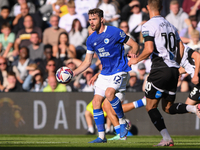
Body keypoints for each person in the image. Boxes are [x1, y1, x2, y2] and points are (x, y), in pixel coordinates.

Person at [128, 0, 200, 146]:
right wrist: (176, 64)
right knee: (167, 108)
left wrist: (137, 60)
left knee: (150, 106)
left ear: (147, 8)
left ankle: (166, 138)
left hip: (160, 69)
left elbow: (148, 49)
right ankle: (194, 108)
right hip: (173, 70)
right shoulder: (171, 25)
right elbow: (180, 46)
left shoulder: (148, 25)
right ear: (161, 8)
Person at [72, 8, 139, 143]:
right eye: (90, 19)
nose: (91, 22)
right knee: (96, 103)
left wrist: (133, 53)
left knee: (109, 94)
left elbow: (134, 44)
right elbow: (87, 62)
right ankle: (101, 137)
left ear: (102, 19)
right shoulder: (91, 39)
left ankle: (122, 122)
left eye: (94, 19)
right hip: (105, 73)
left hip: (120, 69)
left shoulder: (114, 32)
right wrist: (72, 74)